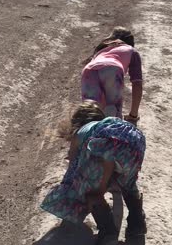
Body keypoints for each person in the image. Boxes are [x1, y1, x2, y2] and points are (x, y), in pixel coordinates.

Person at [40, 101, 147, 242]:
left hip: (104, 143)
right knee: (128, 185)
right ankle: (137, 225)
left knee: (92, 192)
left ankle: (108, 233)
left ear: (78, 122)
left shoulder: (84, 131)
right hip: (136, 142)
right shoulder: (111, 124)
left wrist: (72, 191)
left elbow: (73, 160)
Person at [81, 27, 143, 124]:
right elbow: (137, 84)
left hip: (89, 70)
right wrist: (133, 115)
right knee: (112, 112)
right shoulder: (131, 50)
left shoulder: (102, 48)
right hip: (112, 69)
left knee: (90, 114)